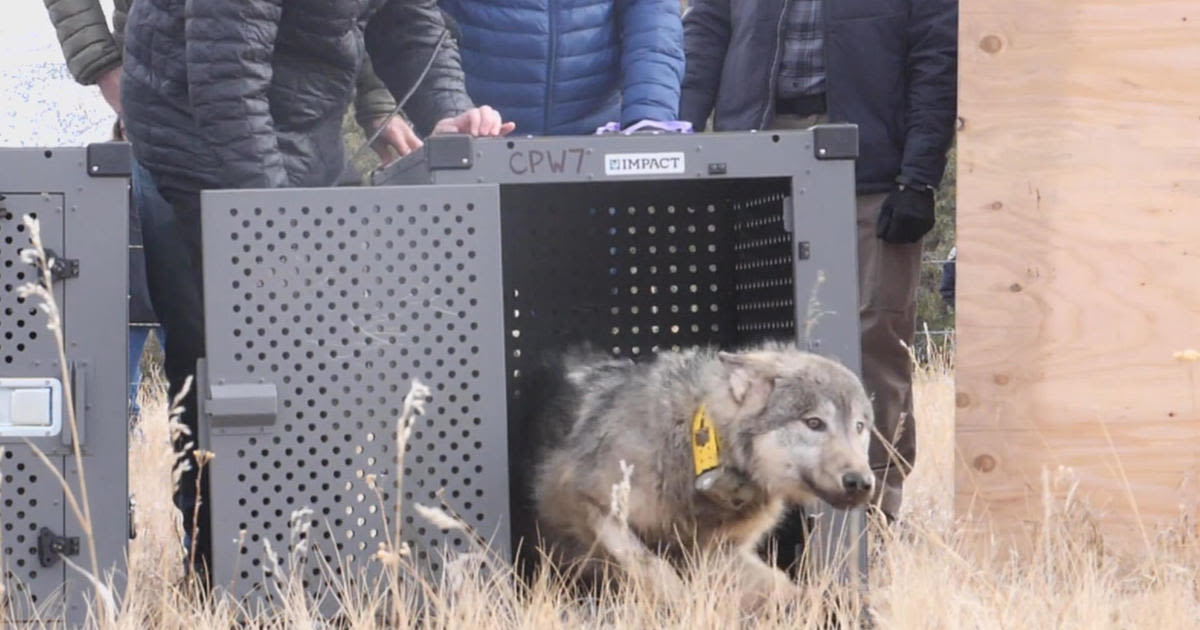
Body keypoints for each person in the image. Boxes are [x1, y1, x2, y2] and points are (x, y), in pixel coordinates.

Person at [119, 0, 515, 577]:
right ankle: (217, 569)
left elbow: (411, 20)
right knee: (218, 359)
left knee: (323, 359)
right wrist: (281, 232)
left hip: (307, 122)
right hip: (194, 135)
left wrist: (449, 111)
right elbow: (226, 79)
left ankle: (319, 562)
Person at [43, 0, 426, 418]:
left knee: (306, 335)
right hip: (168, 97)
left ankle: (301, 472)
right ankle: (201, 476)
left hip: (300, 111)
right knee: (197, 335)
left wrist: (375, 99)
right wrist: (103, 66)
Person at [679, 0, 958, 522]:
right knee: (750, 345)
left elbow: (937, 60)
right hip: (752, 150)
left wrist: (918, 177)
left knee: (874, 338)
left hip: (871, 162)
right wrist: (679, 135)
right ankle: (748, 518)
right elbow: (706, 29)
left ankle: (871, 517)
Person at [437, 0, 685, 135]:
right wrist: (450, 113)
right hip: (479, 141)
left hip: (594, 144)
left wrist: (648, 120)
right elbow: (422, 27)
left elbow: (654, 28)